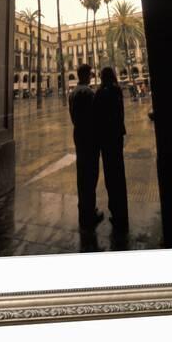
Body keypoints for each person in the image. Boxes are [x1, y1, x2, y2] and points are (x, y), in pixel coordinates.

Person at [93, 66, 129, 232]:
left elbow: (97, 116)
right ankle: (122, 212)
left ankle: (115, 211)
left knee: (110, 174)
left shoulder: (101, 93)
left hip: (106, 138)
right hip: (117, 136)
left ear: (102, 77)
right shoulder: (118, 91)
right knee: (119, 173)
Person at [68, 64, 104, 229]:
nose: (91, 76)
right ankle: (89, 213)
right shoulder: (88, 92)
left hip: (78, 135)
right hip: (90, 136)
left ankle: (84, 211)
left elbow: (72, 115)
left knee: (82, 174)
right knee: (91, 174)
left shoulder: (72, 93)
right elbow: (96, 116)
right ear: (86, 75)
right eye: (90, 74)